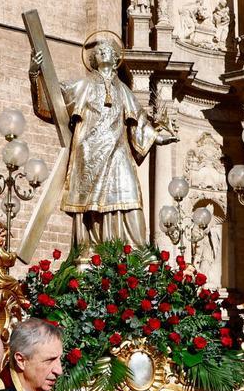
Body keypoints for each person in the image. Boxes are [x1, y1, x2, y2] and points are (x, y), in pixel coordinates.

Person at [29, 35, 176, 251]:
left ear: (116, 58)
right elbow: (54, 96)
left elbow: (139, 118)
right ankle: (94, 248)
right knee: (93, 206)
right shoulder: (84, 84)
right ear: (93, 59)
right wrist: (35, 74)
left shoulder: (123, 89)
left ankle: (136, 251)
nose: (103, 51)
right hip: (89, 152)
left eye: (107, 49)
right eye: (98, 51)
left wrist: (158, 137)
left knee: (131, 197)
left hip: (118, 153)